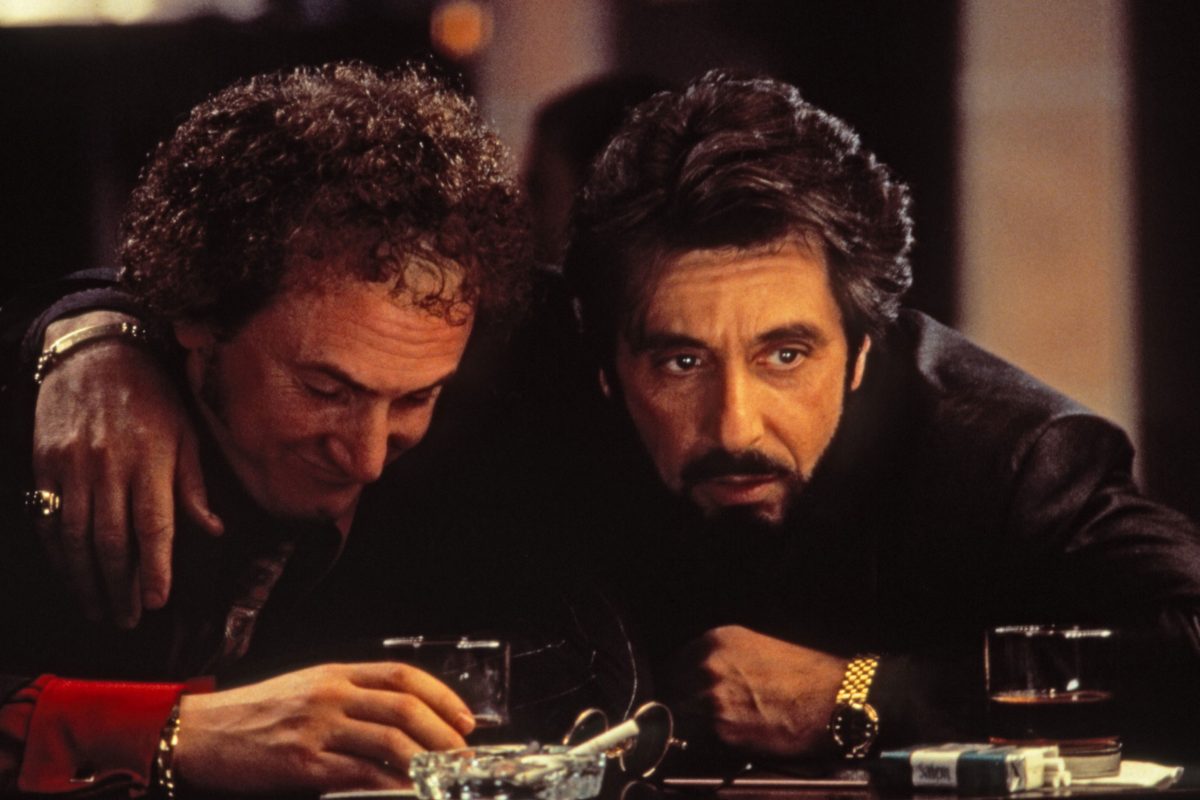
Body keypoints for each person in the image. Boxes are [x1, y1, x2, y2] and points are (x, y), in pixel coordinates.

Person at [0, 62, 634, 798]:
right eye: (325, 390)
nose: (367, 457)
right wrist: (174, 730)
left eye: (416, 398)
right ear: (198, 315)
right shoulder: (50, 443)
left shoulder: (480, 453)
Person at [561, 71, 1200, 765]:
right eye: (682, 363)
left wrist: (861, 694)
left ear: (861, 352)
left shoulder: (1013, 458)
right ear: (606, 370)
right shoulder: (551, 430)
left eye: (785, 355)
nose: (736, 427)